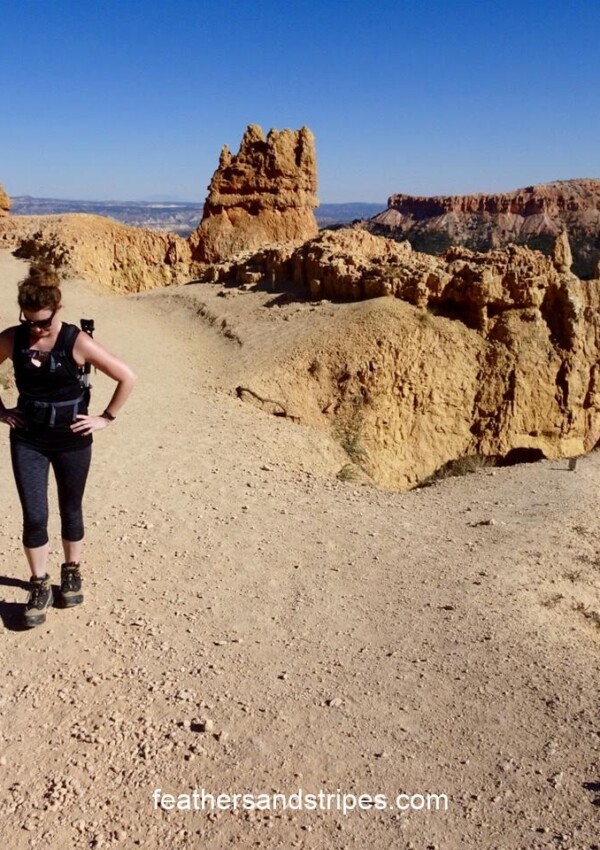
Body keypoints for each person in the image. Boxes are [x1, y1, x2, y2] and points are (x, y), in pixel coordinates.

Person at [0, 262, 137, 628]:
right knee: (34, 515)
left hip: (71, 440)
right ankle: (39, 584)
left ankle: (71, 570)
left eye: (44, 322)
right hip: (28, 439)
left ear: (58, 308)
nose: (37, 329)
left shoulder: (76, 341)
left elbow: (127, 376)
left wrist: (105, 418)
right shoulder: (13, 338)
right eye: (30, 321)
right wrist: (1, 410)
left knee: (70, 507)